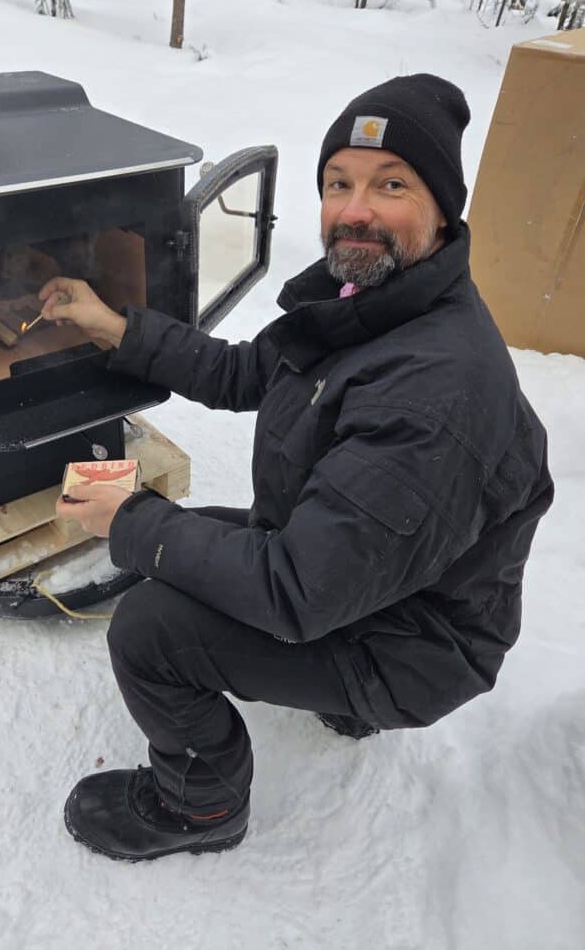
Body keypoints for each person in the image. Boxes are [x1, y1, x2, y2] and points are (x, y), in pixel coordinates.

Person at [39, 74, 554, 863]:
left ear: (443, 209)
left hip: (416, 643)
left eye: (391, 185)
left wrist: (130, 519)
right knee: (184, 547)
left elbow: (296, 591)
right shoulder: (374, 302)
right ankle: (336, 699)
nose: (355, 210)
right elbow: (249, 372)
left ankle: (201, 806)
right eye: (339, 183)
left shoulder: (433, 391)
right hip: (375, 576)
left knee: (150, 626)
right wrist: (115, 327)